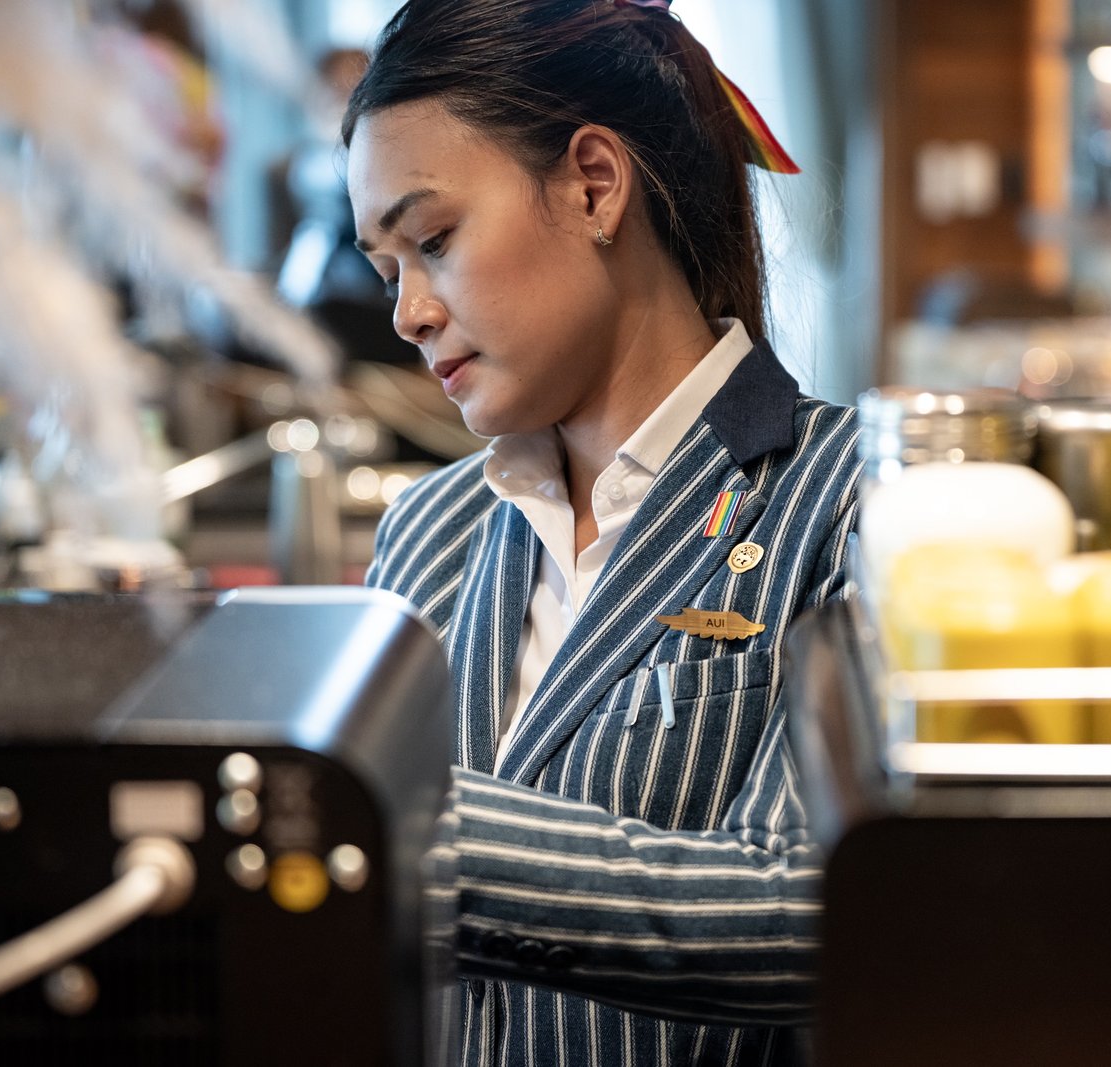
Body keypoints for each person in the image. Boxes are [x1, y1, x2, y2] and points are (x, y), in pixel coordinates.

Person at [344, 1, 859, 1062]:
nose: (408, 313)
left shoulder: (845, 495)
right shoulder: (429, 528)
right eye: (389, 269)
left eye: (434, 241)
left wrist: (395, 825)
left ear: (592, 183)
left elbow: (817, 911)